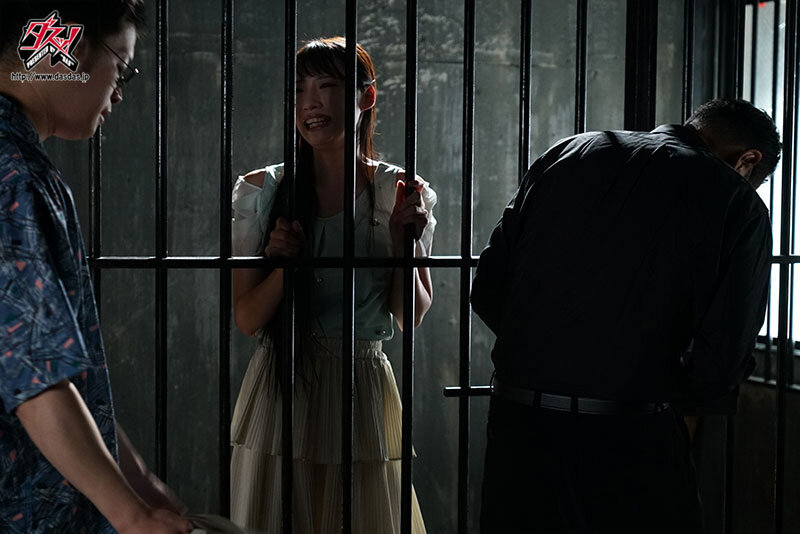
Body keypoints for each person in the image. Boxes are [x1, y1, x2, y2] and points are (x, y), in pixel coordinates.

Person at [471, 99, 780, 534]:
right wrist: (648, 379)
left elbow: (487, 287)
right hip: (632, 433)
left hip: (518, 423)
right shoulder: (735, 200)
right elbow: (723, 357)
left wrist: (550, 352)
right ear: (748, 160)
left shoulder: (569, 152)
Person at [0, 1, 193, 533]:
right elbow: (35, 372)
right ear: (72, 48)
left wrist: (135, 478)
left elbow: (62, 371)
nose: (120, 91)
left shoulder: (20, 166)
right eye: (121, 67)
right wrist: (131, 513)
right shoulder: (14, 176)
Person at [230, 37, 436, 533]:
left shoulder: (398, 190)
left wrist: (401, 240)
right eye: (299, 90)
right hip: (282, 385)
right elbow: (247, 318)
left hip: (361, 386)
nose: (311, 103)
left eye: (326, 86)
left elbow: (410, 315)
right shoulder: (263, 191)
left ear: (367, 96)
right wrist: (285, 267)